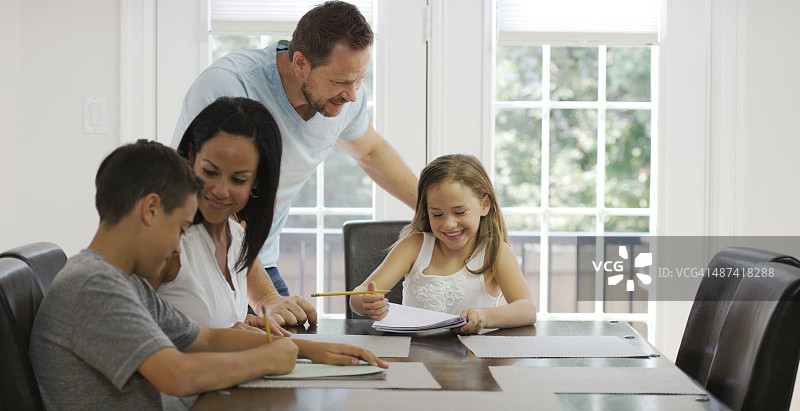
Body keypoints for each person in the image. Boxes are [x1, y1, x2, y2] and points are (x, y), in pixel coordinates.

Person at [28, 140, 386, 409]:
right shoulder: (94, 285)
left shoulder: (125, 283)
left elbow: (207, 339)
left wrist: (307, 349)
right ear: (151, 209)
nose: (179, 249)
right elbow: (178, 376)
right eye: (181, 229)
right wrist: (269, 358)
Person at [170, 1, 418, 298]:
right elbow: (214, 193)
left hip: (258, 256)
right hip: (193, 254)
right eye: (341, 81)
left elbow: (370, 152)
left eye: (360, 79)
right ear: (300, 63)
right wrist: (265, 298)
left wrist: (432, 208)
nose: (352, 94)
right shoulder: (229, 86)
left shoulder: (344, 98)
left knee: (297, 336)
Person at [152, 97, 315, 333]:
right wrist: (227, 338)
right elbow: (133, 342)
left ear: (258, 181)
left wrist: (238, 326)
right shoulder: (167, 243)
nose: (220, 191)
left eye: (238, 179)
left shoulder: (237, 238)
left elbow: (194, 323)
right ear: (190, 156)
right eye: (210, 172)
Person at [349, 154, 537, 333]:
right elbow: (360, 294)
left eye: (460, 212)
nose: (448, 224)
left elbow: (527, 310)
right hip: (415, 356)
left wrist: (485, 317)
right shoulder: (413, 247)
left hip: (474, 360)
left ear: (484, 205)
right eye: (437, 214)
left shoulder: (495, 252)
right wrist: (364, 300)